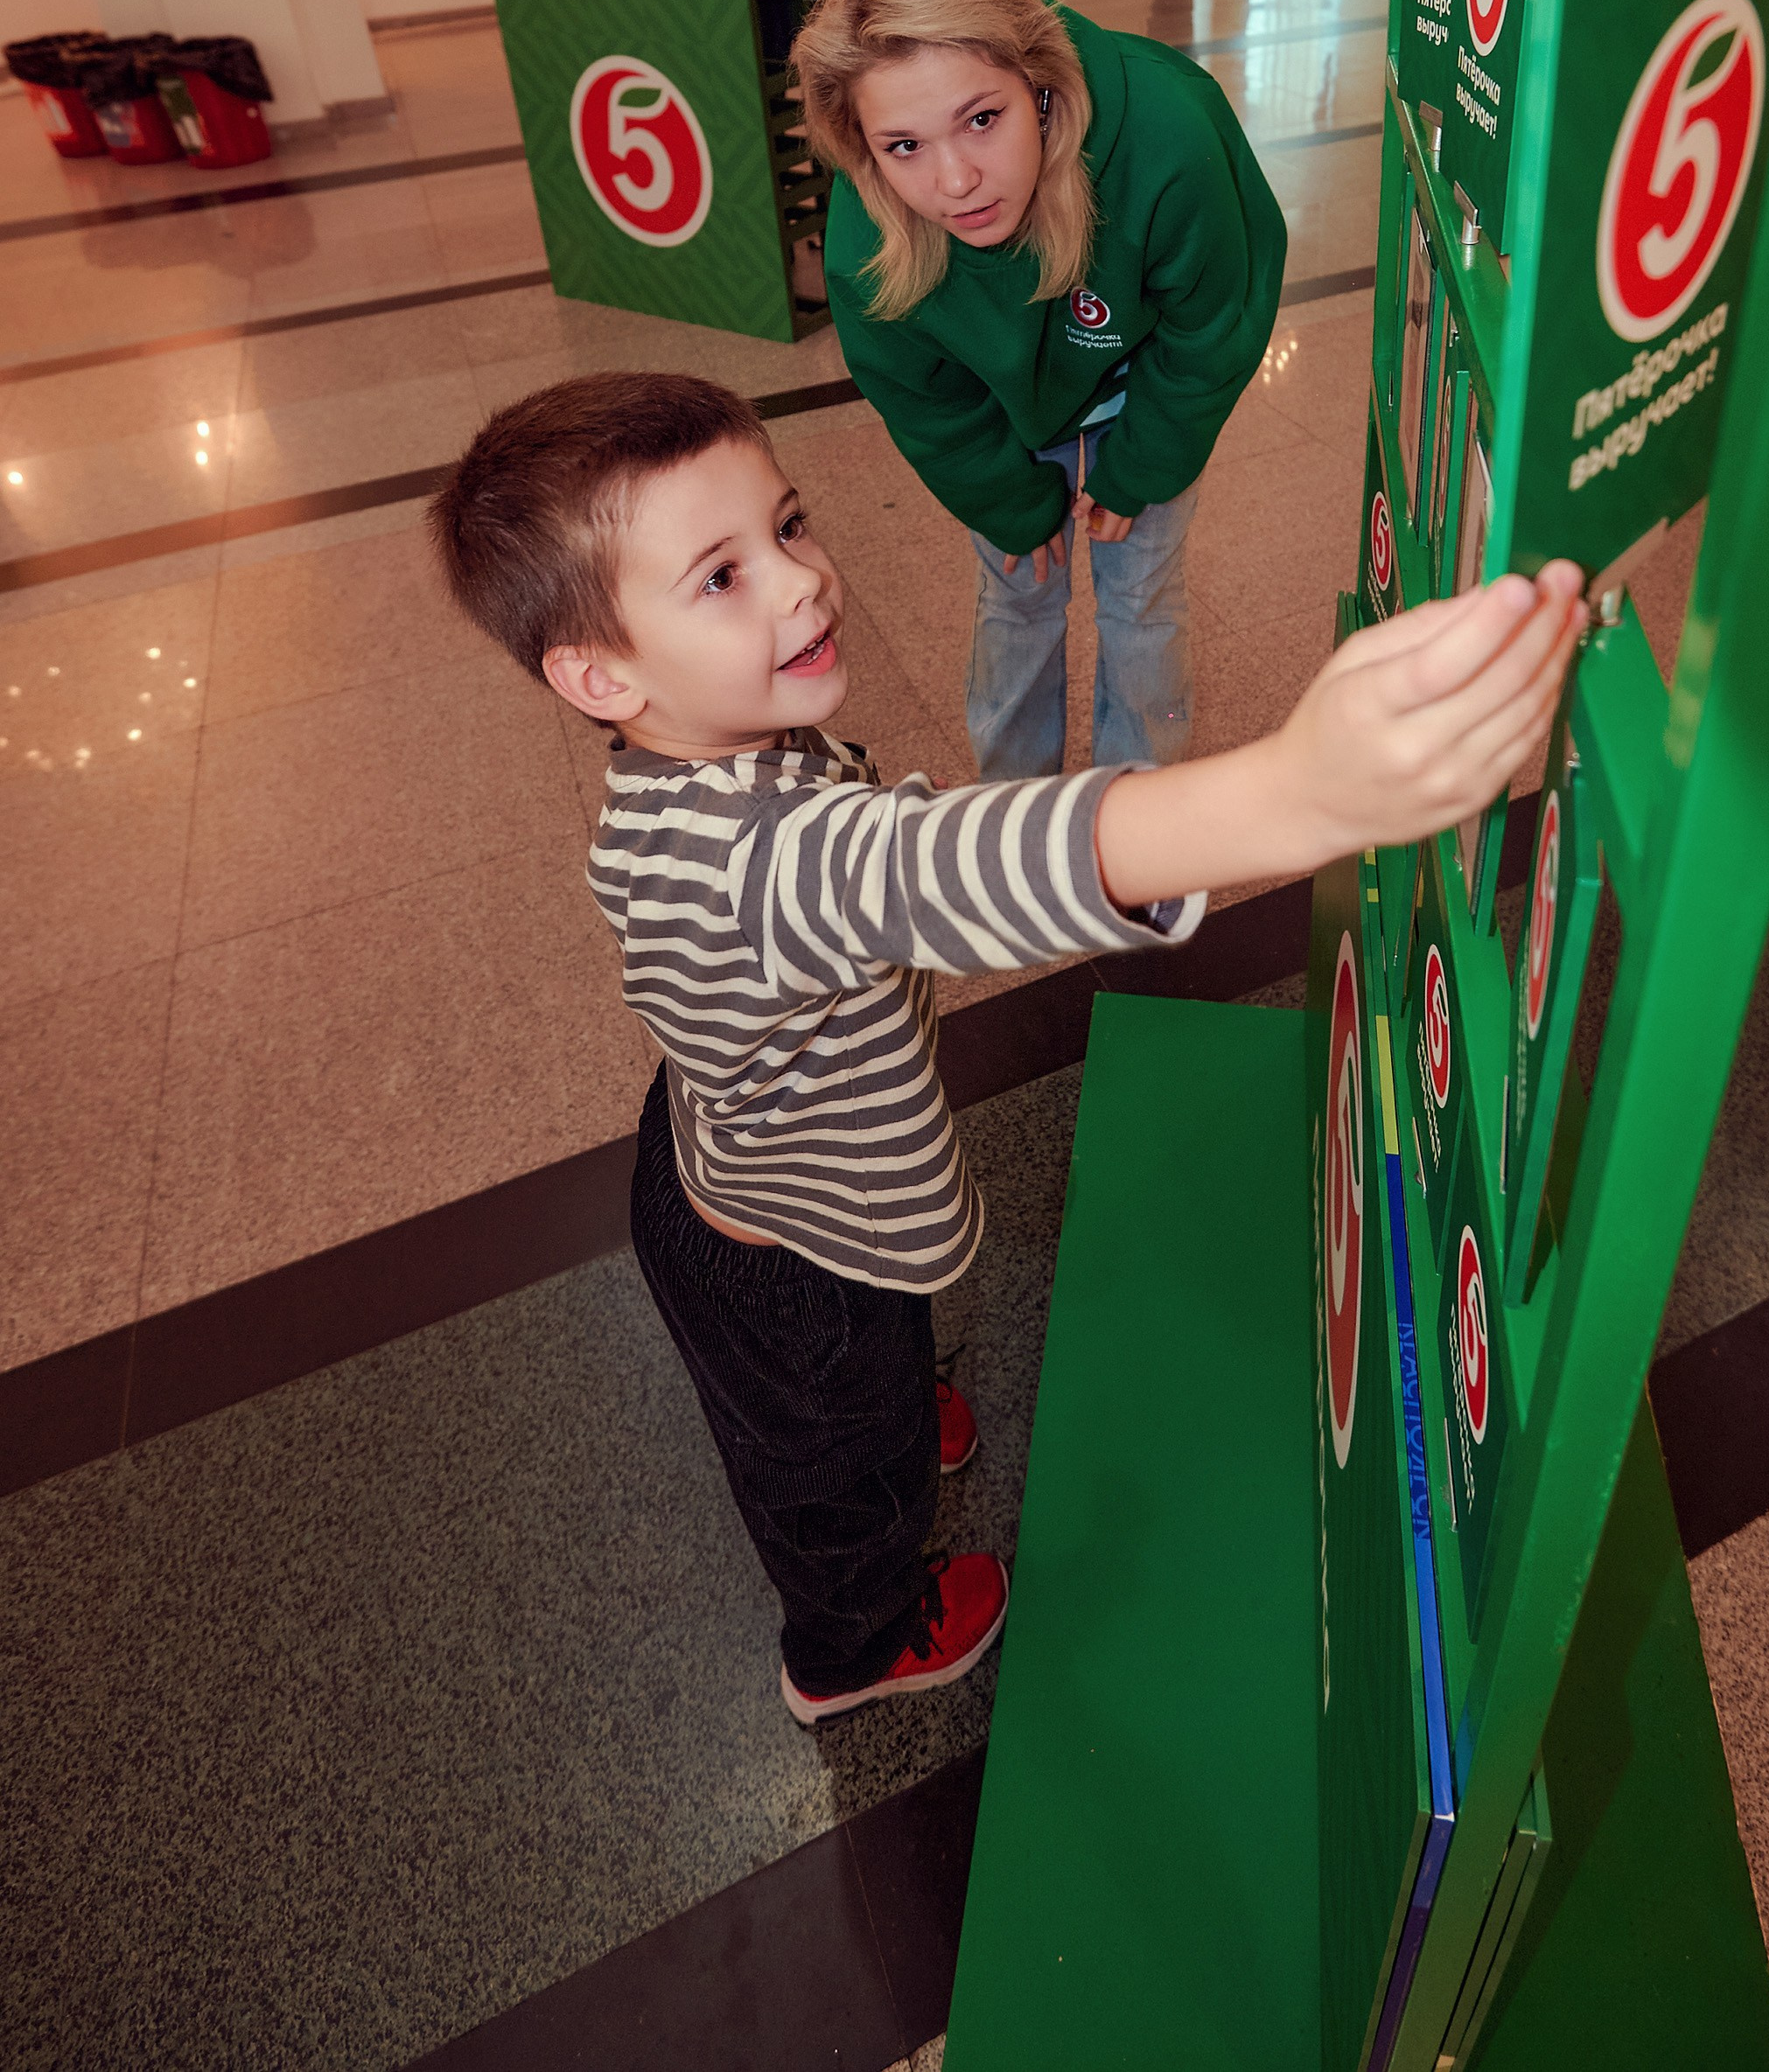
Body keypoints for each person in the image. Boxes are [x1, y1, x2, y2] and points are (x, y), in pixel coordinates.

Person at [430, 367, 1587, 1726]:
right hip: (790, 1260)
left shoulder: (682, 760)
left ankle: (890, 1412)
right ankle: (853, 1651)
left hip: (734, 1161)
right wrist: (1291, 795)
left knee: (875, 1382)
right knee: (834, 1469)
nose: (802, 580)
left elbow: (866, 862)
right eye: (722, 577)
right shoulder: (760, 861)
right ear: (599, 673)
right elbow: (934, 862)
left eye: (788, 526)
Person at [796, 0, 1286, 782]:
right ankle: (1010, 816)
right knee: (1017, 596)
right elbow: (921, 394)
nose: (954, 180)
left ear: (1042, 86)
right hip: (1002, 401)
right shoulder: (867, 226)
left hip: (1148, 379)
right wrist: (1007, 499)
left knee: (1141, 596)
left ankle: (1144, 817)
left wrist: (1142, 466)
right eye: (904, 145)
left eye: (982, 118)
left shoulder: (1168, 132)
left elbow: (1210, 327)